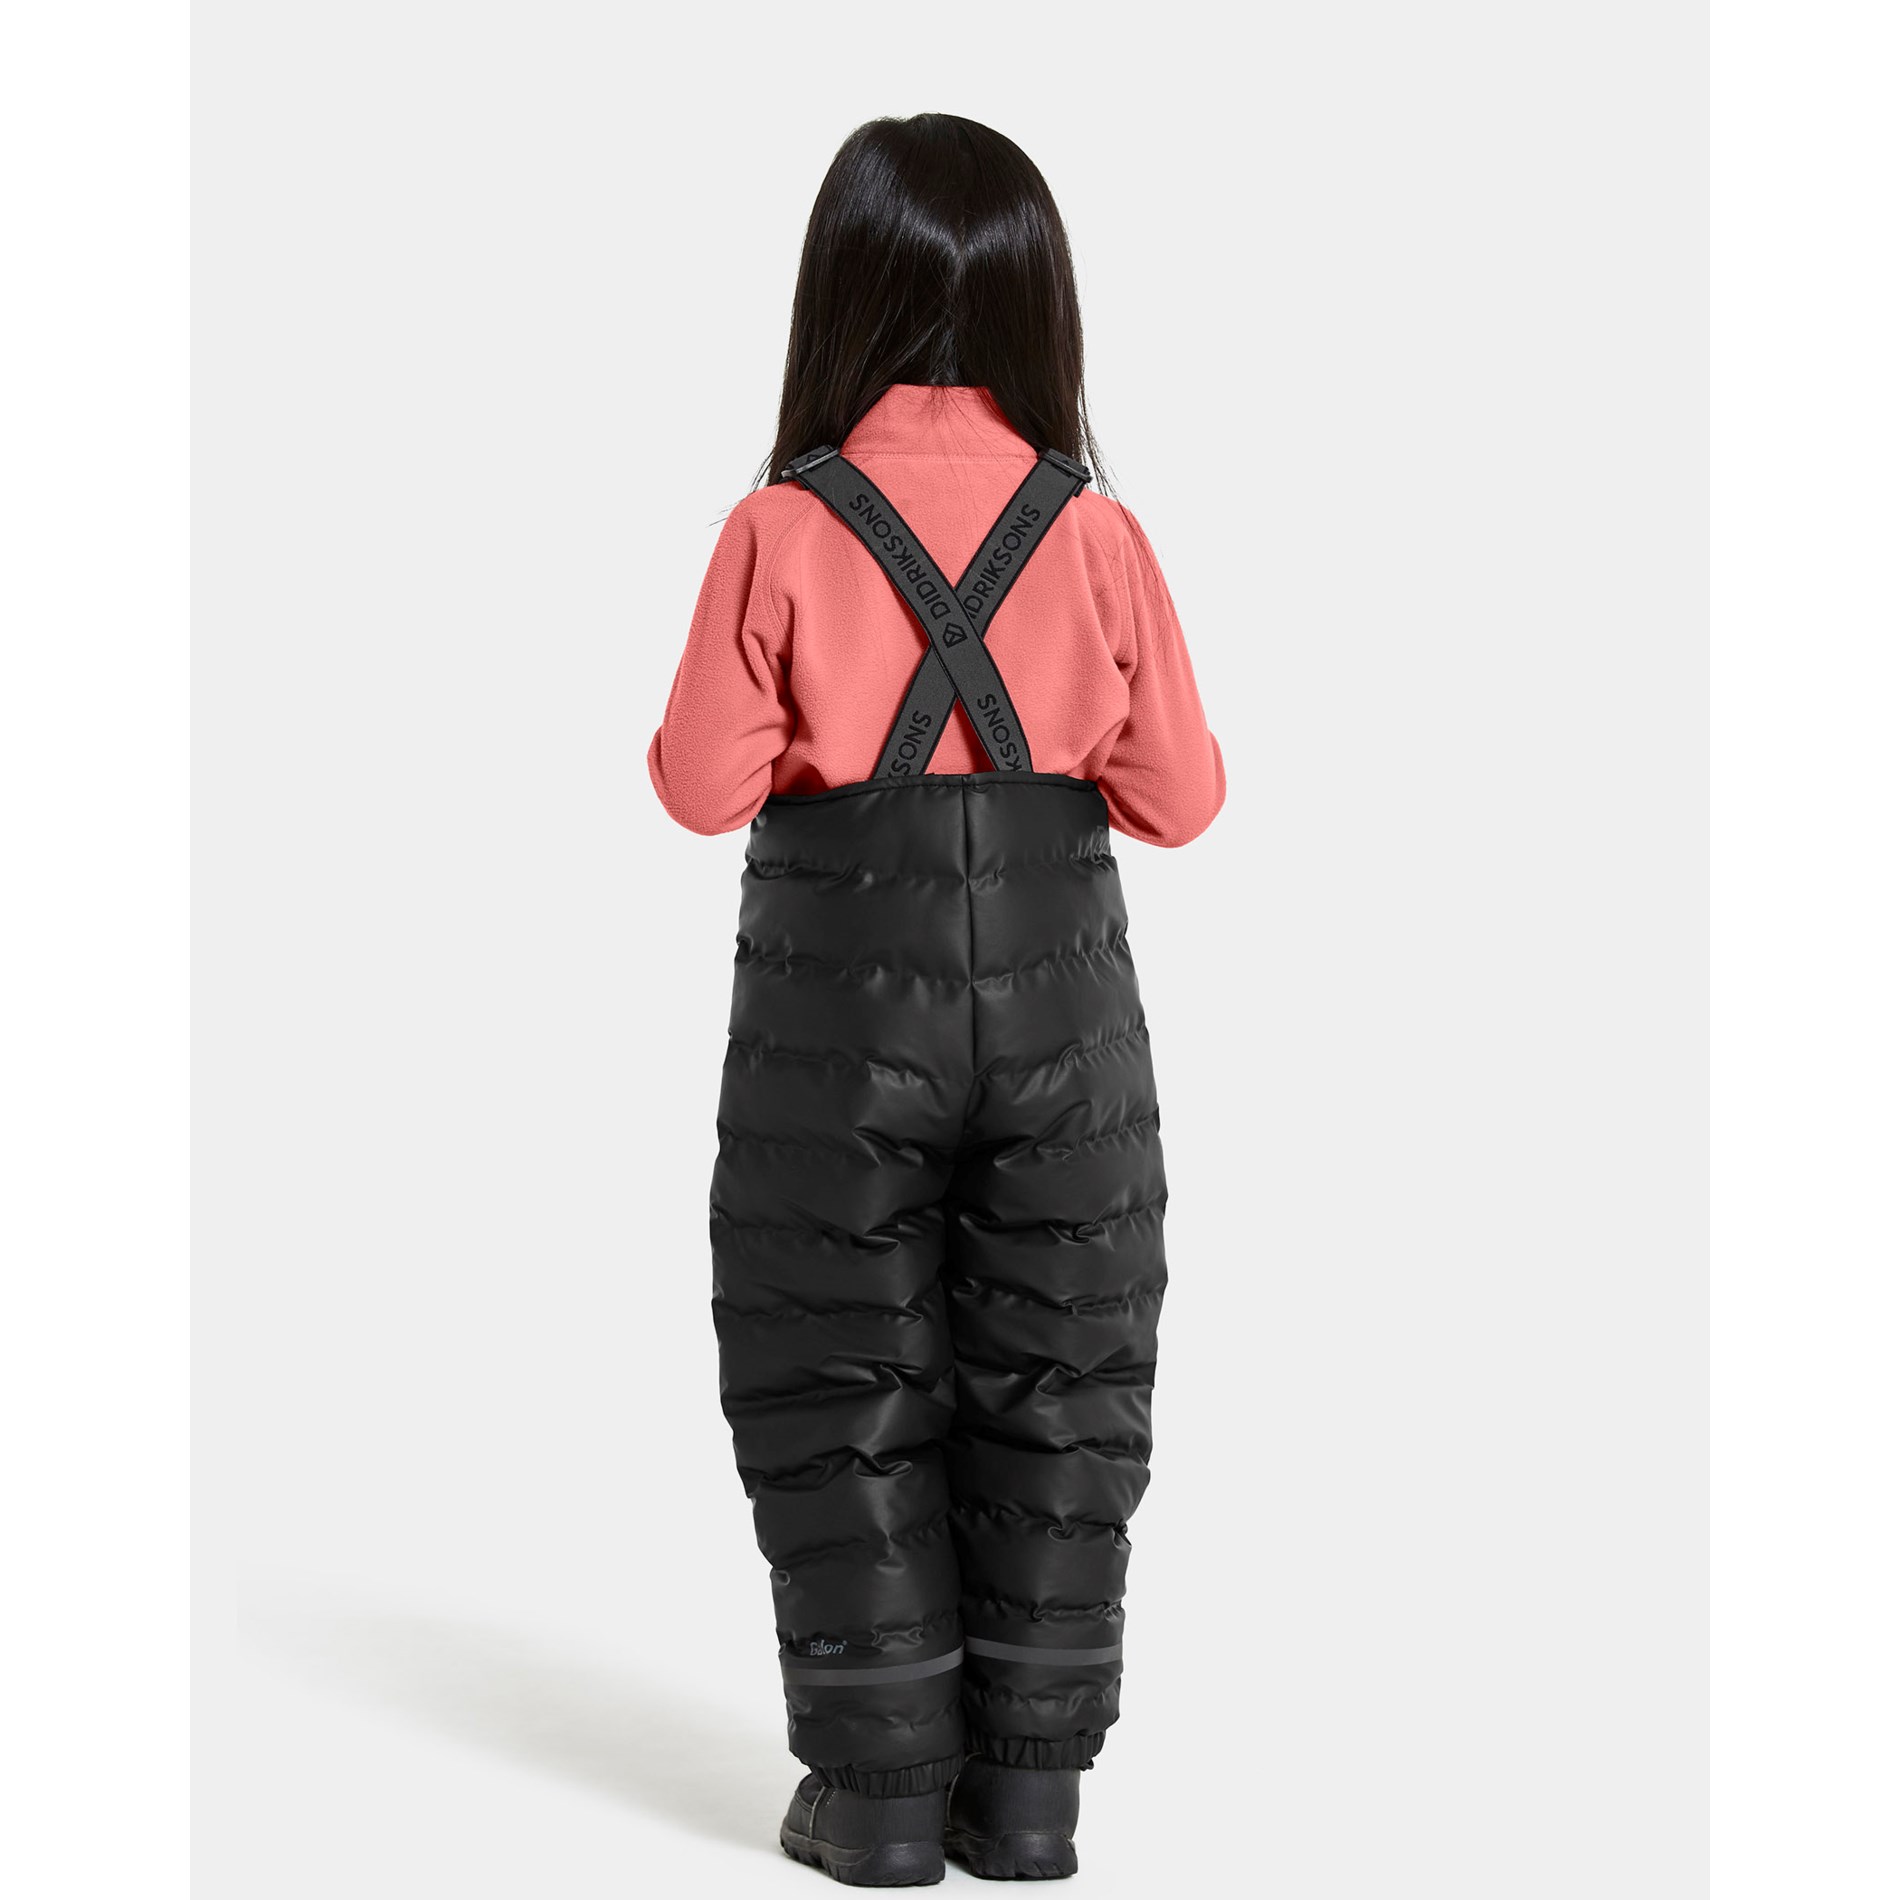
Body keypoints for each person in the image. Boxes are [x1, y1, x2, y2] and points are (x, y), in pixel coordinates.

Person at [649, 113, 1224, 1886]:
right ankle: (1029, 1799)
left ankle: (883, 1796)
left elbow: (697, 786)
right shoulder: (1097, 531)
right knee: (1064, 1369)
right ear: (1040, 302)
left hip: (837, 1026)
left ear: (840, 295)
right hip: (1064, 1020)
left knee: (836, 1371)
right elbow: (1182, 799)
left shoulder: (778, 525)